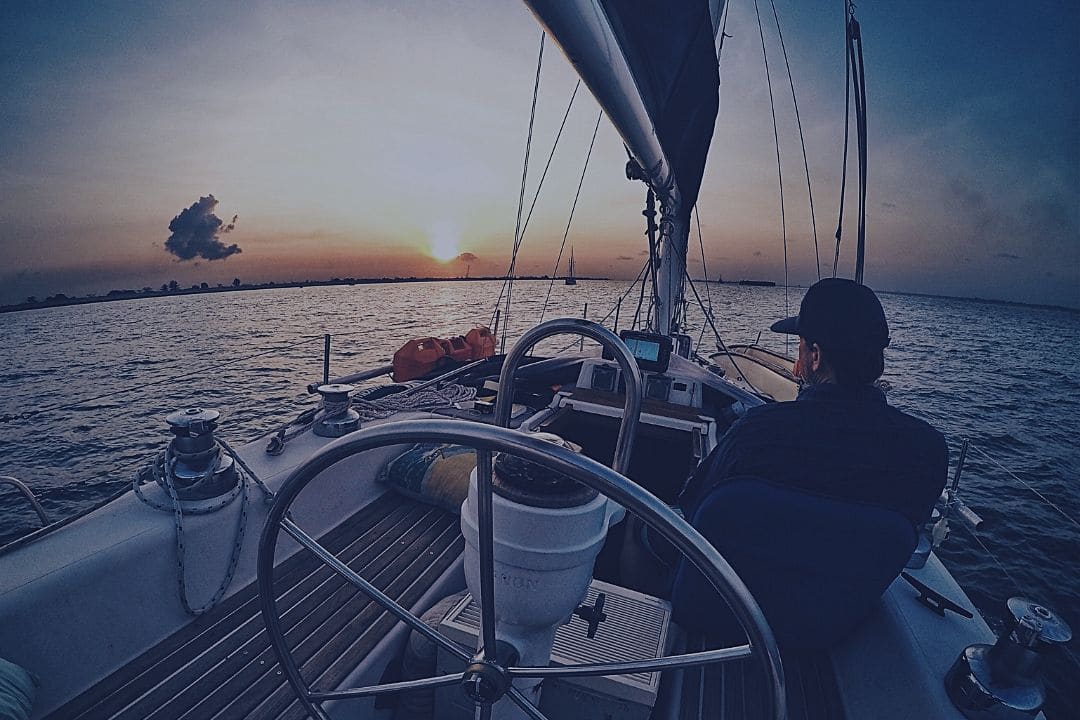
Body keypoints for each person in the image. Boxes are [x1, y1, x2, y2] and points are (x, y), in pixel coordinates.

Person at [673, 278, 948, 647]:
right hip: (822, 633)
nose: (798, 362)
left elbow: (691, 522)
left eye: (800, 348)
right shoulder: (926, 453)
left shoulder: (756, 434)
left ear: (815, 356)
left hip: (716, 618)